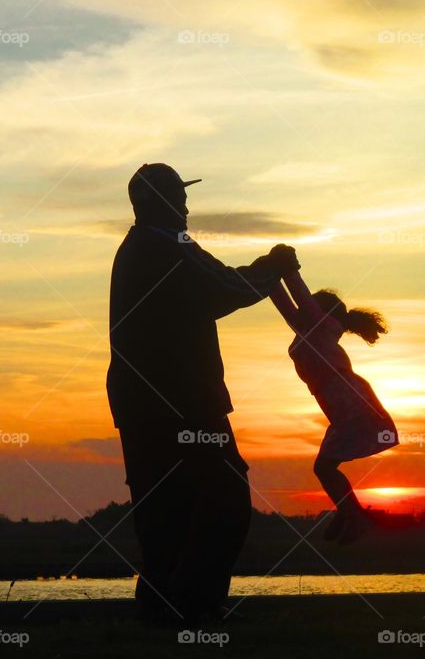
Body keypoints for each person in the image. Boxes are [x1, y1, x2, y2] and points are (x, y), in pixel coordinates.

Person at [107, 162, 299, 623]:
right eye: (180, 195)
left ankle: (159, 609)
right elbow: (223, 287)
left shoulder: (137, 247)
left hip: (139, 403)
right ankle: (197, 606)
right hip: (184, 403)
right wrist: (273, 267)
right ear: (160, 201)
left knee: (163, 509)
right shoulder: (169, 244)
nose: (188, 205)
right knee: (224, 499)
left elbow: (215, 287)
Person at [270, 270, 399, 543]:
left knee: (324, 468)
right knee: (325, 467)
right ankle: (350, 513)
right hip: (339, 403)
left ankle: (352, 515)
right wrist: (265, 276)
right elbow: (286, 306)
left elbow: (301, 298)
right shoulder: (307, 330)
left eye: (312, 306)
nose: (306, 309)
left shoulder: (325, 326)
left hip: (349, 399)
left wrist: (289, 269)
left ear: (322, 311)